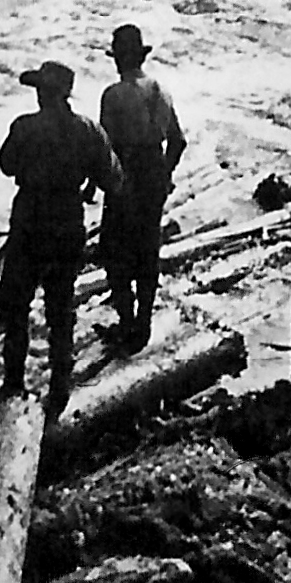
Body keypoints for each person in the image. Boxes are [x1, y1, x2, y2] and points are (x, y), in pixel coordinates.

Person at [0, 60, 121, 414]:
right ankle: (59, 387)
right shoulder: (88, 131)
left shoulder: (24, 127)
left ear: (41, 93)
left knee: (16, 304)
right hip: (67, 221)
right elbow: (113, 178)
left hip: (29, 218)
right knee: (60, 307)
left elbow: (6, 165)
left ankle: (13, 384)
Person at [97, 23, 187, 354]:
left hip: (127, 174)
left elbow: (105, 148)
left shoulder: (114, 94)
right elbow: (178, 141)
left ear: (119, 58)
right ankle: (144, 321)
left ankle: (127, 320)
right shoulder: (161, 91)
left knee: (115, 250)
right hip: (153, 175)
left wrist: (99, 185)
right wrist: (164, 173)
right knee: (147, 249)